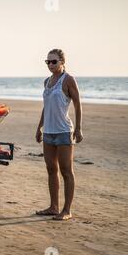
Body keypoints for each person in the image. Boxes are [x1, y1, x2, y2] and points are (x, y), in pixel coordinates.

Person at [35, 49, 83, 221]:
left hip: (63, 132)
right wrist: (39, 127)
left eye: (53, 61)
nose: (50, 65)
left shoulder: (68, 80)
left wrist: (78, 128)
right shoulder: (46, 81)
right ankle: (53, 207)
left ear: (62, 62)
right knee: (50, 169)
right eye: (47, 62)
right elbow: (45, 106)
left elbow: (78, 104)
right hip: (48, 132)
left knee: (66, 171)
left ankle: (66, 210)